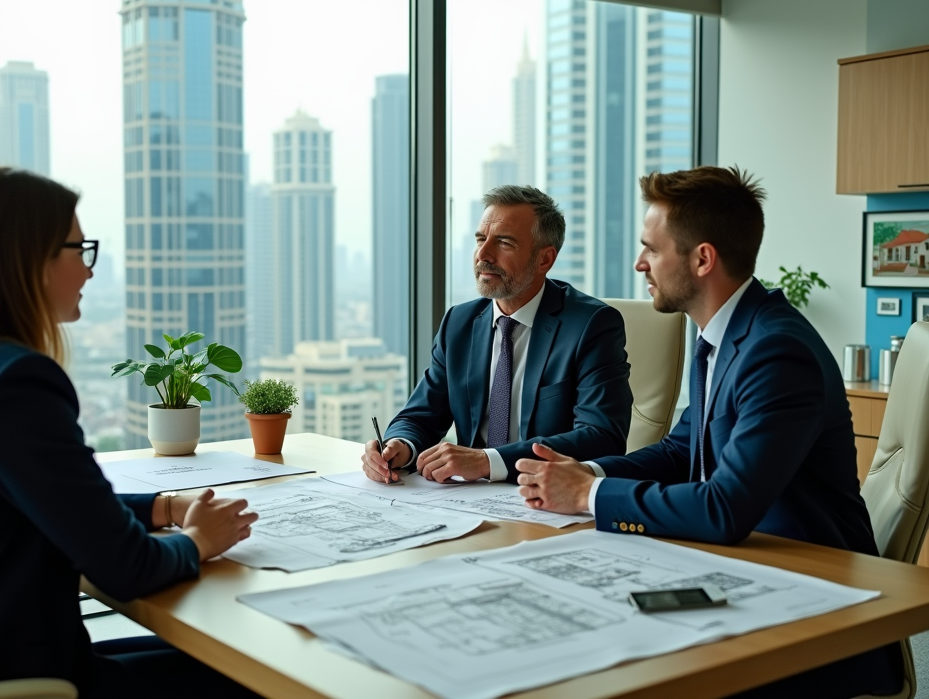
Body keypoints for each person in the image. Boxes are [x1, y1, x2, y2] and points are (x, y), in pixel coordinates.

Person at [515, 165, 903, 698]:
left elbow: (725, 507)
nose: (639, 263)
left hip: (813, 616)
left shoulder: (776, 351)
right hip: (741, 571)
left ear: (702, 258)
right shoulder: (722, 337)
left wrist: (589, 494)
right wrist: (590, 471)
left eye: (652, 248)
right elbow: (681, 450)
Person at [0, 166, 259, 698]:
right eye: (80, 249)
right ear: (30, 262)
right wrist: (199, 541)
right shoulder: (12, 383)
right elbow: (128, 569)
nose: (90, 271)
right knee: (249, 675)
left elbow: (54, 500)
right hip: (6, 675)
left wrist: (163, 505)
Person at [362, 185, 632, 485]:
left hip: (548, 499)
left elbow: (602, 436)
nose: (483, 254)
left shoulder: (591, 325)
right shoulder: (459, 322)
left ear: (545, 259)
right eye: (480, 239)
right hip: (468, 501)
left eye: (503, 242)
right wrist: (401, 446)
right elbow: (419, 417)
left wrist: (488, 461)